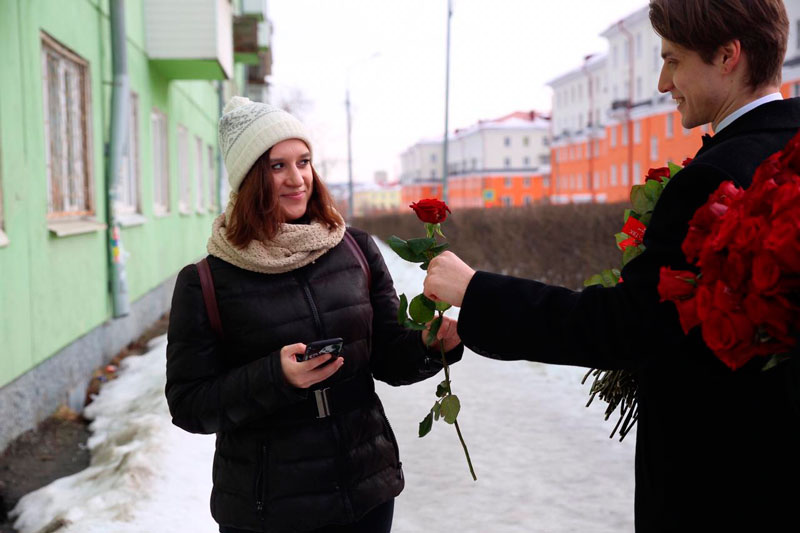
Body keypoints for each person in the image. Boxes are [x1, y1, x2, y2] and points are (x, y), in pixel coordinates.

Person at [423, 0, 799, 530]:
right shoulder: (788, 148)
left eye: (673, 60)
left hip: (724, 481)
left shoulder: (713, 179)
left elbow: (626, 326)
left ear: (727, 56)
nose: (663, 83)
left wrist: (476, 291)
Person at [166, 97, 462, 533]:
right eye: (277, 166)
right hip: (268, 509)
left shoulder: (355, 248)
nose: (297, 178)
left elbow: (385, 357)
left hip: (364, 490)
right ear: (249, 178)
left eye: (303, 162)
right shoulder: (206, 280)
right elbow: (189, 405)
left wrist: (429, 345)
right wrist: (276, 377)